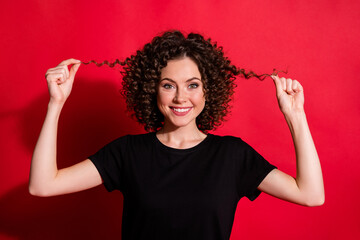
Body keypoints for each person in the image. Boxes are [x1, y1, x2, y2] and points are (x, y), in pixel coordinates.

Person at [29, 30, 324, 240]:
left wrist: (295, 116)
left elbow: (310, 195)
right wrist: (56, 104)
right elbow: (42, 185)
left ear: (208, 91)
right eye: (168, 85)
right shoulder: (128, 152)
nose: (181, 97)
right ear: (152, 89)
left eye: (193, 85)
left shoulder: (232, 155)